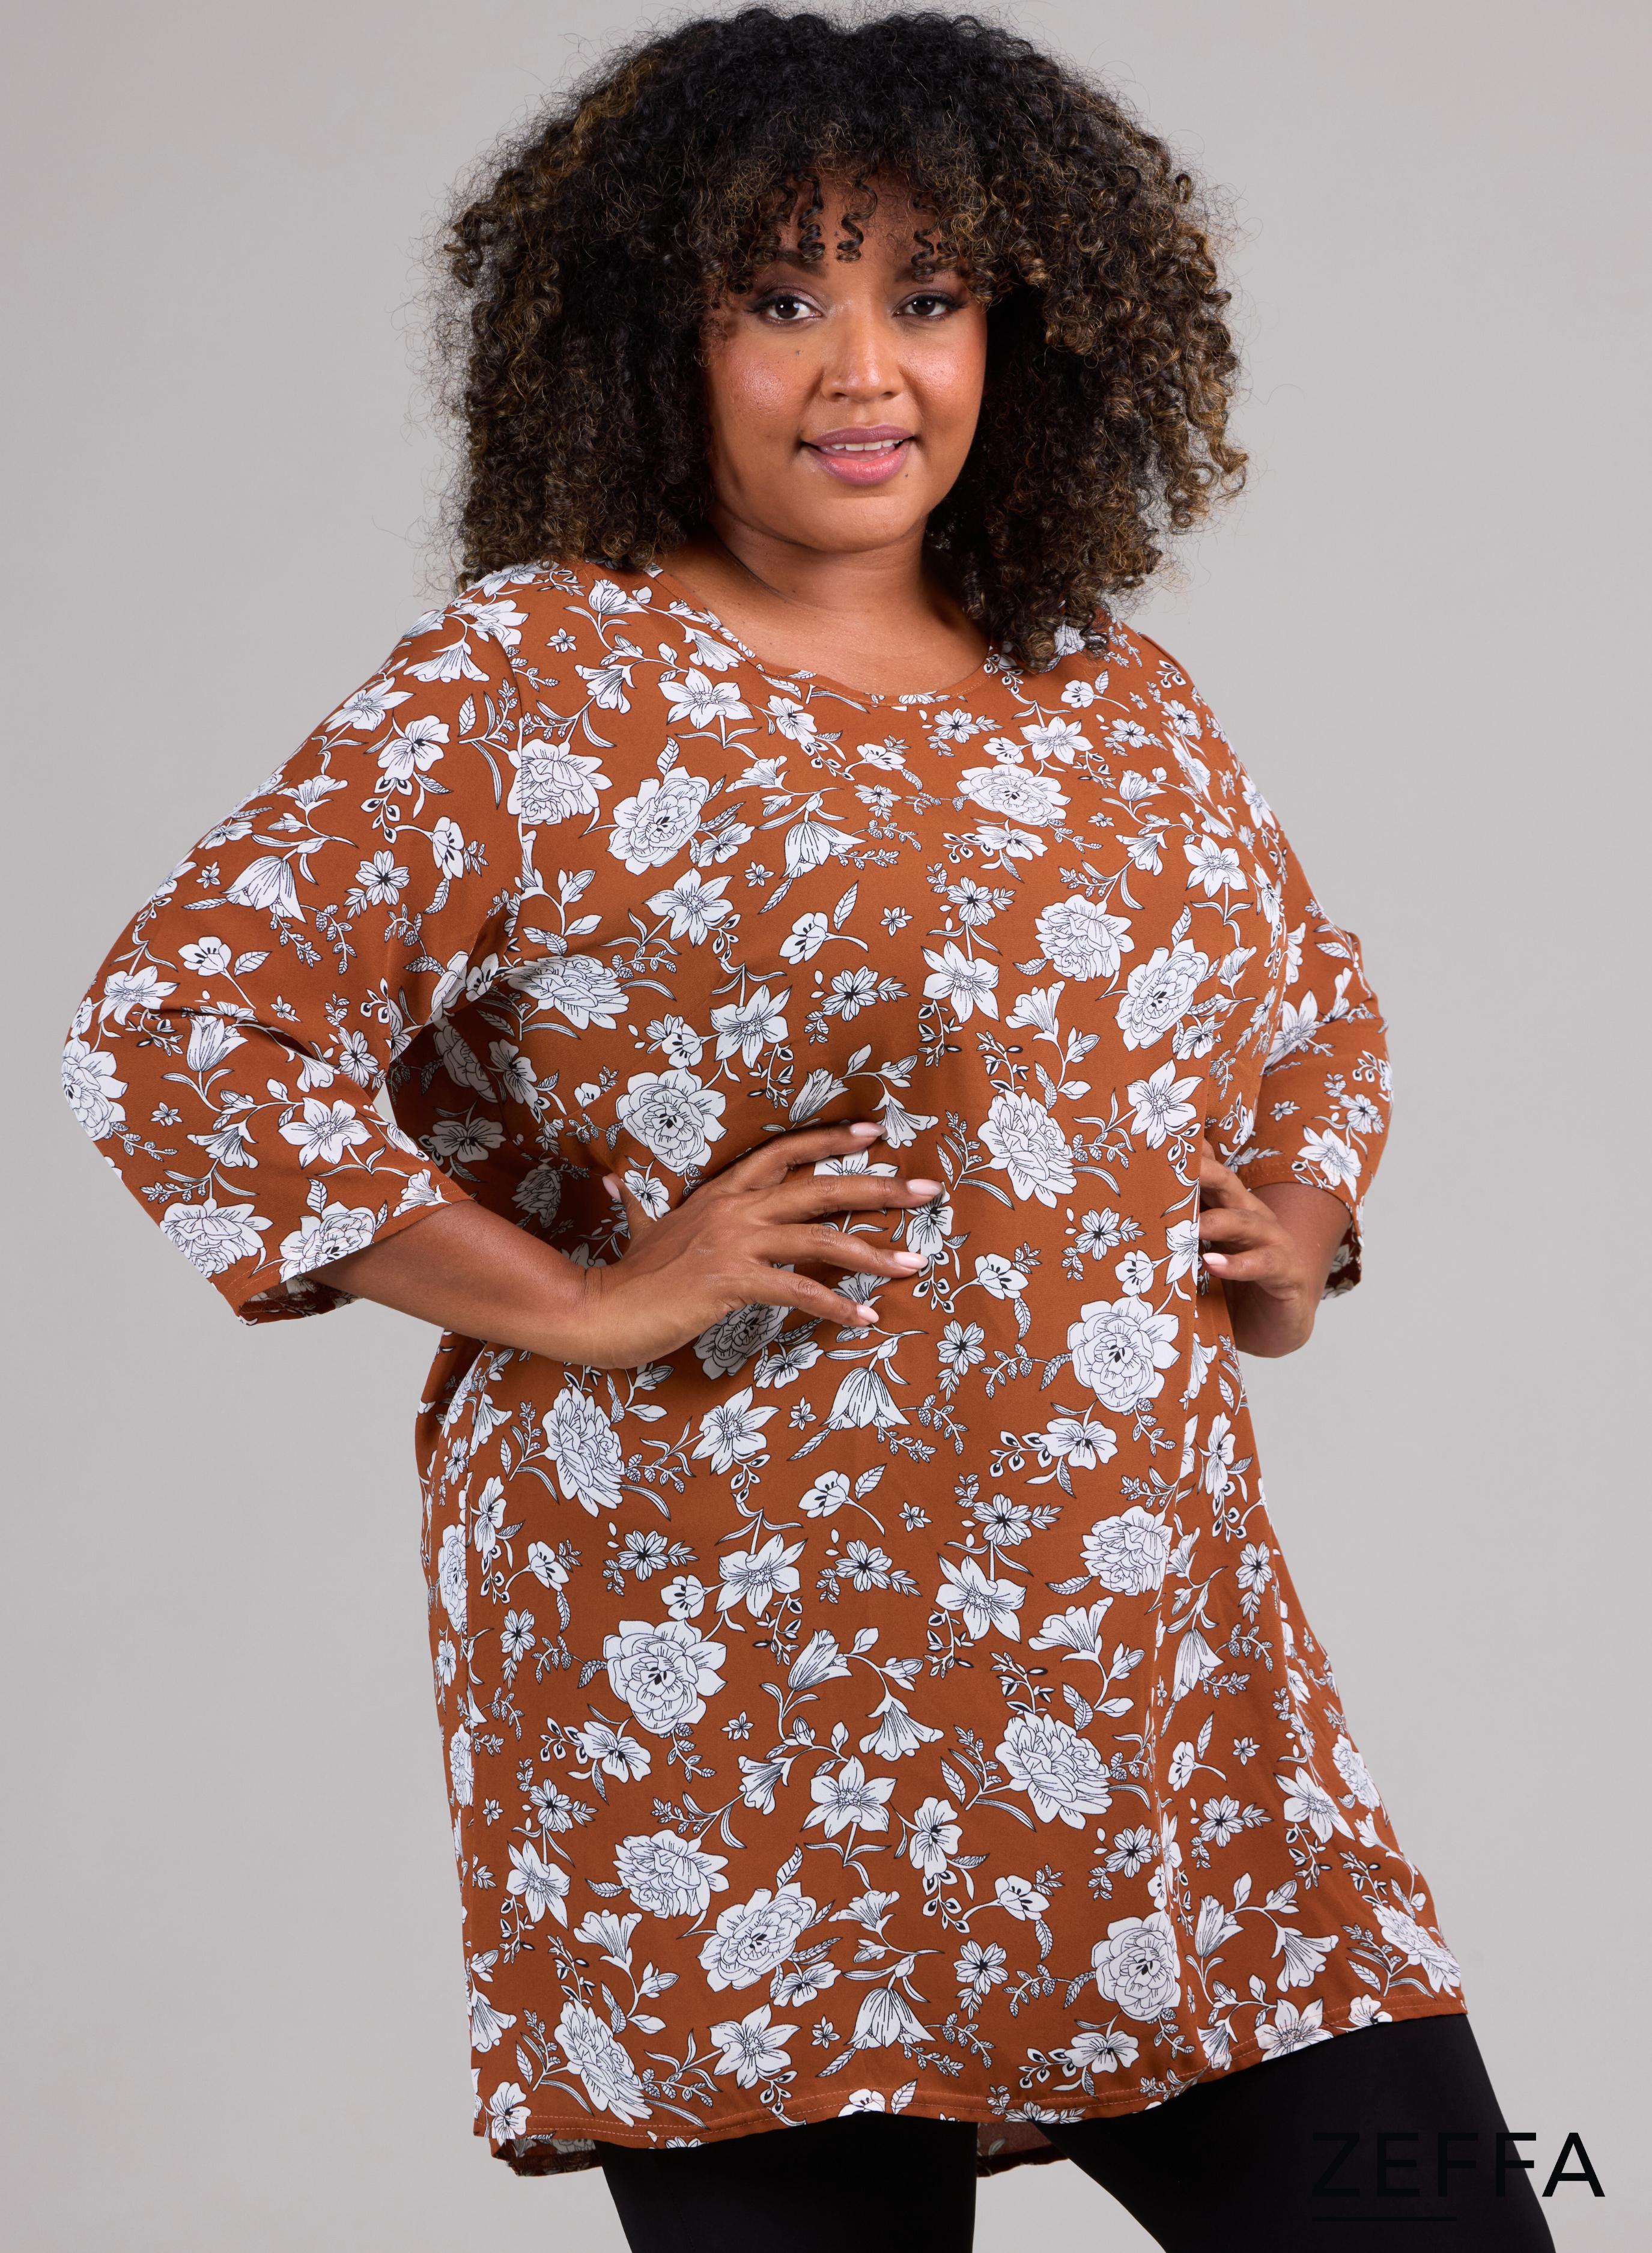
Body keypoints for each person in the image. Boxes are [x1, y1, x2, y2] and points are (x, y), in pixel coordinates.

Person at [61, 10, 1553, 2249]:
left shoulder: (1110, 690)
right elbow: (179, 1032)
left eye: (924, 296)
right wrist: (585, 1300)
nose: (867, 371)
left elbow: (1306, 996)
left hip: (1150, 1698)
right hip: (728, 1731)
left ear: (1020, 329)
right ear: (651, 342)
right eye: (781, 299)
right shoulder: (534, 685)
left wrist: (1306, 1220)